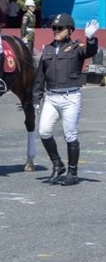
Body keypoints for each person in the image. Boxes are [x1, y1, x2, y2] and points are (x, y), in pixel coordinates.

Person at [32, 14, 98, 186]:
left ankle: (72, 173)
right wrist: (36, 98)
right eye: (53, 28)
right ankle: (57, 164)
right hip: (52, 97)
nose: (55, 31)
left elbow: (90, 51)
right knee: (44, 131)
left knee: (70, 134)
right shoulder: (47, 49)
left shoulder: (77, 48)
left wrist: (90, 38)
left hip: (70, 97)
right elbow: (40, 76)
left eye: (59, 28)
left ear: (69, 30)